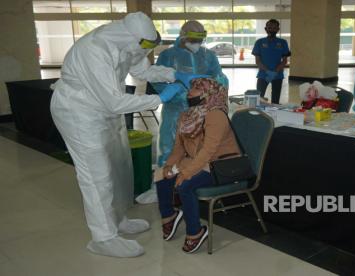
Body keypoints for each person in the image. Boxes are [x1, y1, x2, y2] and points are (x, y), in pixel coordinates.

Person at [50, 12, 186, 258]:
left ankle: (117, 219)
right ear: (131, 36)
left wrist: (174, 74)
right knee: (96, 175)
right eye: (144, 44)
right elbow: (113, 102)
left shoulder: (127, 45)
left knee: (117, 166)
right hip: (79, 111)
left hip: (103, 108)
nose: (145, 49)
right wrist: (159, 98)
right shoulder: (96, 49)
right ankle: (103, 237)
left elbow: (144, 71)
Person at [154, 78, 240, 253]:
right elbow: (179, 148)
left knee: (185, 185)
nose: (189, 92)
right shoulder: (187, 115)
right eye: (191, 88)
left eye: (195, 89)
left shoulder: (216, 115)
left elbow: (208, 151)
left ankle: (195, 232)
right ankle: (169, 216)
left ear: (207, 94)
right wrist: (169, 165)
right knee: (161, 174)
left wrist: (186, 173)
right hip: (198, 161)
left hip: (220, 164)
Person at [152, 20, 228, 167]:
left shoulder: (209, 56)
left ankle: (197, 174)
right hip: (175, 109)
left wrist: (210, 91)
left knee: (202, 145)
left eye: (199, 40)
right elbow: (157, 80)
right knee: (171, 143)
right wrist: (174, 93)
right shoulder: (167, 56)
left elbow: (219, 79)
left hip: (202, 109)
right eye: (193, 40)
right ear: (183, 37)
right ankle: (167, 176)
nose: (197, 44)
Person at [252, 19, 291, 104]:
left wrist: (275, 71)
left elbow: (284, 61)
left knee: (275, 101)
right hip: (263, 75)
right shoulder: (259, 42)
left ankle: (274, 115)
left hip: (278, 75)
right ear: (265, 29)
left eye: (274, 28)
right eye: (269, 27)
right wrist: (268, 71)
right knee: (259, 98)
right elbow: (257, 61)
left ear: (278, 29)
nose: (271, 29)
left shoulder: (283, 43)